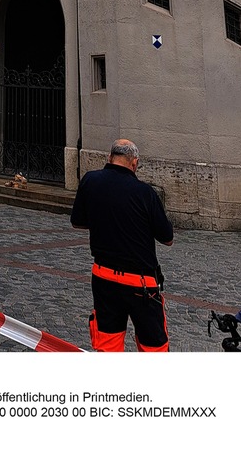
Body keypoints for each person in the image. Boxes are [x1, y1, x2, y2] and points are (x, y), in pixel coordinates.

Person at [70, 139, 174, 352]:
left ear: (109, 158)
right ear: (134, 163)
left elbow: (77, 221)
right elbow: (167, 238)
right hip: (140, 283)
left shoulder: (90, 181)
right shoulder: (145, 193)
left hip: (103, 277)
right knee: (153, 348)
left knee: (108, 343)